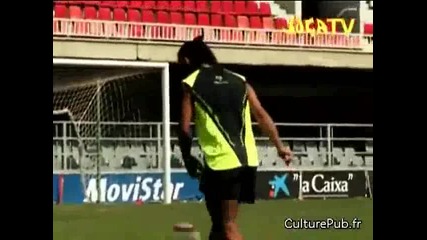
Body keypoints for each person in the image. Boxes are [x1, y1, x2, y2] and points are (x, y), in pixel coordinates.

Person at [177, 34, 293, 240]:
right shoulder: (240, 81)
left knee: (228, 226)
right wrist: (280, 146)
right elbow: (261, 115)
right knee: (219, 225)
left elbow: (185, 128)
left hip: (221, 163)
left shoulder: (191, 83)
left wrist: (186, 157)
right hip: (246, 160)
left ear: (187, 60)